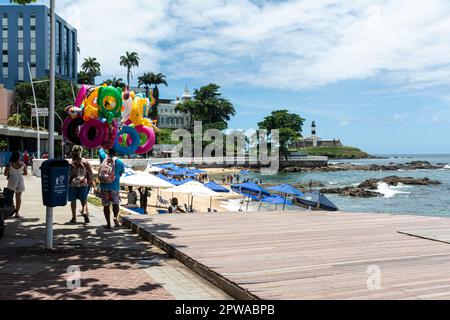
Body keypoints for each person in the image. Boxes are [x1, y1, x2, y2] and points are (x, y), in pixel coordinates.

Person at [99, 148, 125, 230]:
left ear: (108, 151)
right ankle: (115, 217)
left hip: (104, 186)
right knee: (115, 204)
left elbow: (100, 150)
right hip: (114, 187)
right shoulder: (119, 162)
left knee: (106, 205)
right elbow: (121, 173)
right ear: (116, 152)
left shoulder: (104, 159)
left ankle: (108, 224)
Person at [68, 145, 93, 224]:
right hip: (83, 183)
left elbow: (66, 173)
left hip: (72, 183)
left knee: (73, 201)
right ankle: (85, 212)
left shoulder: (70, 162)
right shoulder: (85, 161)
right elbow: (90, 173)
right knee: (84, 200)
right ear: (80, 152)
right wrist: (90, 181)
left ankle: (74, 218)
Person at [4, 151, 27, 218]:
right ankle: (17, 213)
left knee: (10, 197)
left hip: (12, 180)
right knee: (18, 198)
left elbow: (5, 174)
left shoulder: (9, 164)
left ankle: (12, 209)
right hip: (20, 180)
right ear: (19, 157)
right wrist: (19, 174)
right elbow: (25, 173)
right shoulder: (22, 164)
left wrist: (11, 174)